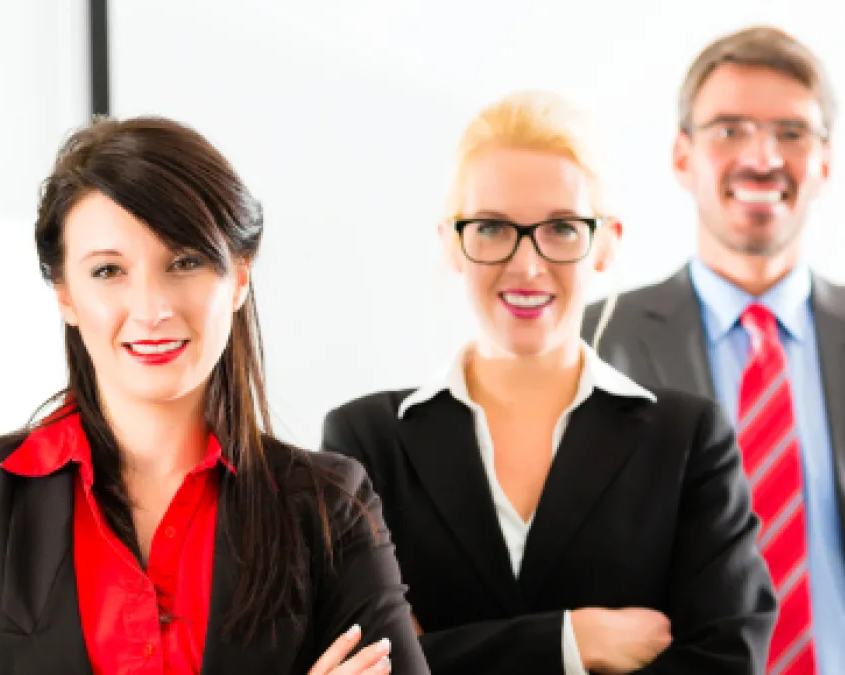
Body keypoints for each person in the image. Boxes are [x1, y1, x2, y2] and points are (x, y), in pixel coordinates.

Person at [0, 116, 427, 675]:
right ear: (65, 294)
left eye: (185, 262)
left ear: (240, 278)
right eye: (108, 271)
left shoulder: (330, 505)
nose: (152, 309)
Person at [323, 90, 776, 674]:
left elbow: (728, 662)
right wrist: (570, 641)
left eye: (562, 228)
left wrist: (442, 650)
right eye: (492, 227)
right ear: (453, 243)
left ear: (606, 243)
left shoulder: (688, 440)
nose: (527, 265)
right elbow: (358, 661)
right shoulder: (366, 442)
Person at [584, 25, 845, 674]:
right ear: (682, 156)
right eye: (729, 129)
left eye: (792, 132)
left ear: (825, 162)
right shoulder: (597, 342)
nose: (762, 158)